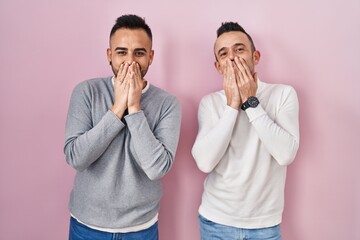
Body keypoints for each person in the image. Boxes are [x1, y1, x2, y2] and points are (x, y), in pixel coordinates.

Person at [64, 14, 181, 240]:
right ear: (109, 55)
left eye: (139, 53)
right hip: (87, 224)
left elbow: (157, 168)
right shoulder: (86, 92)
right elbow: (76, 158)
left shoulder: (168, 103)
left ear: (151, 56)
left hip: (141, 228)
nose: (130, 61)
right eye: (121, 52)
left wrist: (135, 108)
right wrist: (118, 108)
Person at [191, 22, 300, 240]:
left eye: (239, 49)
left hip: (265, 225)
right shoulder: (210, 103)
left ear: (256, 56)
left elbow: (286, 154)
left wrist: (251, 102)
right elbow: (204, 162)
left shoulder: (283, 95)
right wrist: (232, 105)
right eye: (224, 54)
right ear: (218, 67)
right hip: (216, 222)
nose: (232, 57)